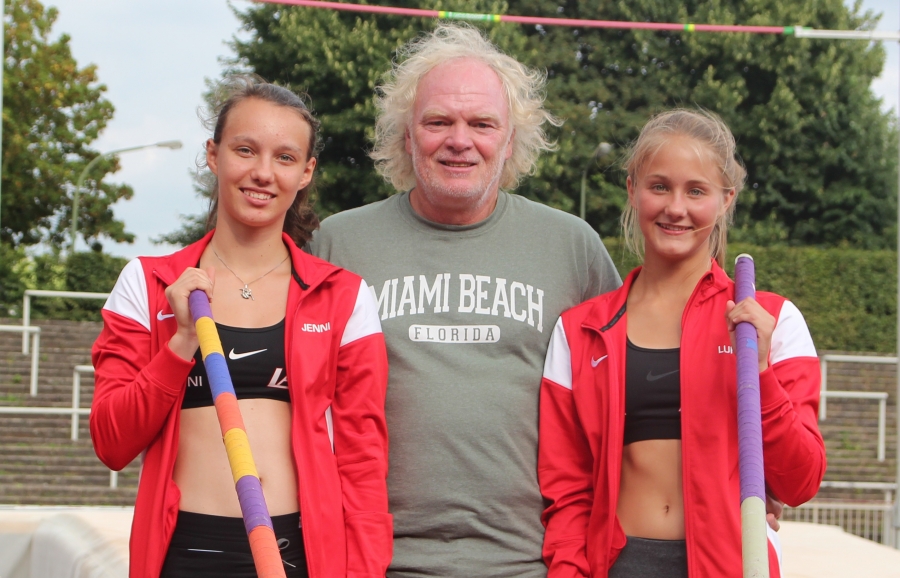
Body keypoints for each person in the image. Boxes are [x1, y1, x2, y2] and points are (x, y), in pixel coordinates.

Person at [307, 24, 621, 577]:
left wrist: (736, 472)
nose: (459, 139)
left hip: (533, 563)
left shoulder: (573, 247)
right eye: (438, 122)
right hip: (373, 562)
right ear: (407, 135)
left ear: (510, 139)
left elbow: (637, 389)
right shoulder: (338, 244)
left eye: (481, 123)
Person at [90, 77, 392, 578]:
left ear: (306, 173)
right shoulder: (147, 284)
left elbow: (363, 463)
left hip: (298, 552)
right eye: (245, 150)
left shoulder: (343, 296)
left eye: (285, 158)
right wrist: (181, 342)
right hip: (185, 553)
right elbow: (112, 442)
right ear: (213, 154)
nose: (262, 173)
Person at [538, 109, 826, 578]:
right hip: (618, 566)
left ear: (725, 200)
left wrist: (761, 375)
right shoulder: (580, 331)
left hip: (730, 567)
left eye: (696, 191)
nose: (676, 208)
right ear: (632, 188)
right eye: (659, 186)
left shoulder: (773, 320)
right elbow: (567, 489)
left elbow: (801, 481)